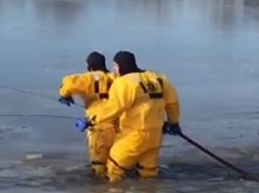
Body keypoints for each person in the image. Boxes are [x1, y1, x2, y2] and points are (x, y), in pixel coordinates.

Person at [76, 50, 181, 181]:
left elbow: (113, 108)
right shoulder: (158, 78)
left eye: (115, 66)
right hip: (155, 136)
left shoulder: (124, 83)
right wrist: (173, 123)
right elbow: (172, 103)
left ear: (119, 66)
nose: (114, 70)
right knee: (148, 173)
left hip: (134, 136)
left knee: (114, 168)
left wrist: (90, 120)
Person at [57, 51, 117, 177]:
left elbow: (68, 82)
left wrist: (64, 94)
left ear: (89, 65)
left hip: (98, 126)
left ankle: (102, 187)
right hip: (118, 125)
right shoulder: (115, 77)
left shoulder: (88, 78)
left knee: (99, 166)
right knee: (116, 163)